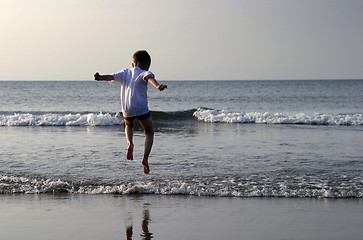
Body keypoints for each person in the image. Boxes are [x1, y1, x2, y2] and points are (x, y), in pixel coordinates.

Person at [94, 50, 167, 174]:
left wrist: (100, 77)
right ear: (147, 65)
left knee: (129, 125)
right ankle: (145, 158)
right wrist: (157, 86)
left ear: (133, 64)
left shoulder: (125, 72)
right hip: (141, 107)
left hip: (127, 108)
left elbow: (111, 77)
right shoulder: (145, 72)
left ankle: (130, 144)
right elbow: (149, 79)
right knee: (149, 132)